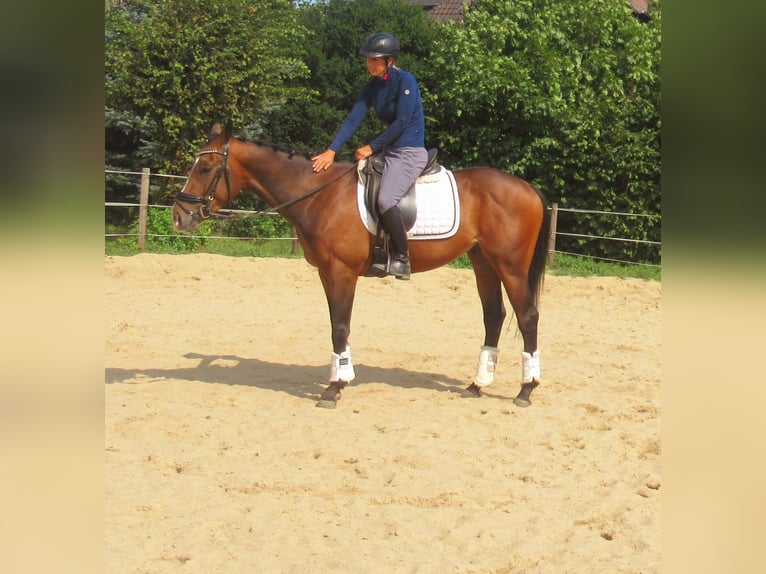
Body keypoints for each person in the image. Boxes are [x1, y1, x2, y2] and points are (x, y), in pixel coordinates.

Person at [312, 32, 427, 280]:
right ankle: (376, 250)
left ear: (389, 60)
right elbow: (354, 118)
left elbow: (402, 121)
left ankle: (402, 257)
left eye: (374, 60)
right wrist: (331, 150)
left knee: (386, 200)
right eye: (368, 59)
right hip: (389, 152)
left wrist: (372, 146)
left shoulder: (406, 81)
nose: (368, 64)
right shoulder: (372, 86)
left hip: (409, 152)